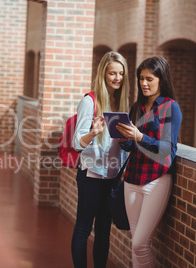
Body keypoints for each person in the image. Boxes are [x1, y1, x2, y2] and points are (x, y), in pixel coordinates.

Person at [116, 56, 182, 268]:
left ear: (161, 80)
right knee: (136, 242)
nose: (144, 83)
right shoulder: (137, 107)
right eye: (141, 78)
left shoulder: (171, 108)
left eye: (149, 79)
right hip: (132, 179)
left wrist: (140, 137)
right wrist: (124, 140)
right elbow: (130, 148)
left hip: (156, 179)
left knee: (140, 244)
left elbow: (167, 150)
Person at [71, 51, 130, 268]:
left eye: (121, 73)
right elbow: (77, 143)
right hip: (91, 175)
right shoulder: (90, 101)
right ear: (103, 74)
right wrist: (93, 133)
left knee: (104, 232)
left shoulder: (122, 102)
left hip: (112, 175)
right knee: (84, 228)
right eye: (112, 73)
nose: (117, 78)